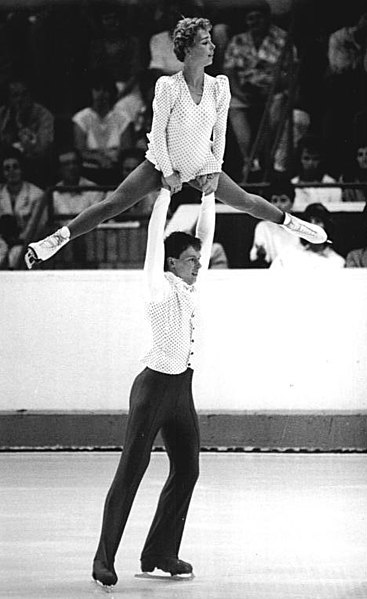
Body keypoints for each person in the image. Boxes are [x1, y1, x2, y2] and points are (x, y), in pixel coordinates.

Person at [25, 16, 326, 270]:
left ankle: (296, 224)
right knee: (112, 205)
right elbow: (156, 135)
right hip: (161, 163)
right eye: (206, 42)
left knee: (246, 202)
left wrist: (213, 170)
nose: (213, 46)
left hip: (200, 165)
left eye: (211, 40)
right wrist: (167, 173)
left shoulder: (219, 86)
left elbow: (219, 134)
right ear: (188, 48)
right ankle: (56, 239)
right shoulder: (167, 86)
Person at [87, 186, 214, 588]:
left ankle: (160, 551)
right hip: (153, 389)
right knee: (132, 471)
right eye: (190, 260)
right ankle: (103, 560)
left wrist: (209, 197)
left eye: (197, 260)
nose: (198, 264)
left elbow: (206, 239)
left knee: (188, 469)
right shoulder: (158, 288)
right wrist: (162, 194)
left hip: (181, 390)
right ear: (171, 262)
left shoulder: (190, 287)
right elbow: (153, 243)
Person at [223, 0, 295, 180]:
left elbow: (290, 72)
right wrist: (240, 92)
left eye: (258, 18)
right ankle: (251, 159)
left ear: (267, 18)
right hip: (245, 91)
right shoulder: (238, 40)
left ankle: (268, 155)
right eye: (250, 19)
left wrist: (273, 86)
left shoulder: (282, 38)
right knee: (233, 106)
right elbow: (229, 71)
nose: (254, 22)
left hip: (273, 90)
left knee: (278, 103)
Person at [72, 69, 133, 186]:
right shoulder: (80, 118)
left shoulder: (123, 118)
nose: (101, 94)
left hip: (116, 170)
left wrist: (112, 159)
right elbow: (80, 150)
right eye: (97, 90)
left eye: (105, 90)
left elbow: (127, 150)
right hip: (89, 171)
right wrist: (98, 159)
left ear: (111, 93)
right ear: (91, 92)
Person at [0, 76, 54, 187]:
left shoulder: (44, 115)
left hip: (33, 165)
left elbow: (43, 149)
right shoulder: (2, 114)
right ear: (9, 99)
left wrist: (22, 128)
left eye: (24, 94)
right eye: (15, 95)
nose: (21, 99)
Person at [0, 147, 45, 268]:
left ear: (22, 169)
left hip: (25, 243)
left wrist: (19, 241)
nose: (11, 172)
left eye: (15, 167)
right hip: (2, 242)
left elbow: (36, 228)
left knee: (17, 255)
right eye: (7, 168)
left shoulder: (37, 194)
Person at [271, 203, 345, 270]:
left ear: (327, 226)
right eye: (308, 222)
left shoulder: (337, 261)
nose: (312, 226)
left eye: (317, 221)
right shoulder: (288, 254)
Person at [249, 177, 301, 267]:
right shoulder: (263, 227)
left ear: (292, 203)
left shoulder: (300, 226)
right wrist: (260, 253)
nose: (278, 205)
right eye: (274, 200)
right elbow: (256, 256)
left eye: (283, 200)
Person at [52, 148, 105, 226]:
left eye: (75, 163)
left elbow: (96, 221)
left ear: (80, 165)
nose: (71, 167)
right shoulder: (53, 193)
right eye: (66, 164)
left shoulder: (94, 190)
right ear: (59, 169)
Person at [291, 135, 342, 211]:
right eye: (306, 158)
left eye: (315, 159)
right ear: (299, 159)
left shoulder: (332, 185)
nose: (311, 163)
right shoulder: (292, 184)